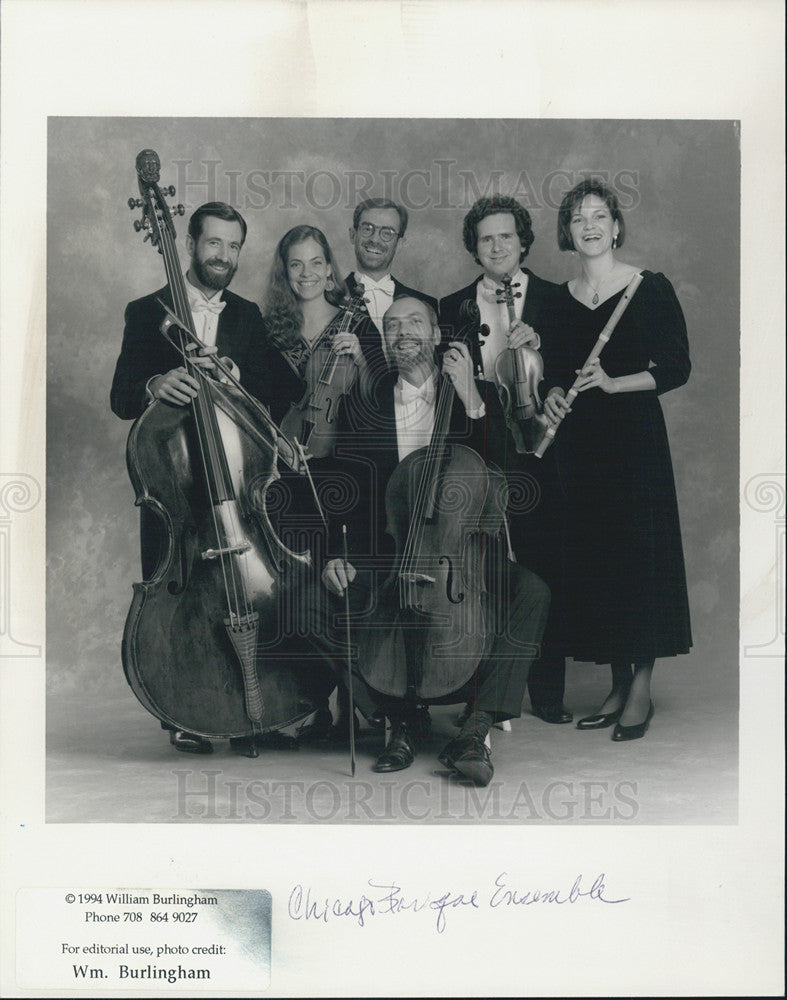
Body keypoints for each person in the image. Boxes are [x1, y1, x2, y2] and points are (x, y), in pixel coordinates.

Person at [317, 295, 550, 786]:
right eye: (393, 325)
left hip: (462, 555)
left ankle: (477, 726)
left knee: (531, 591)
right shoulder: (365, 405)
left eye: (415, 322)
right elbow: (348, 496)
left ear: (438, 335)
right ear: (385, 342)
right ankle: (398, 716)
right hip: (393, 551)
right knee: (319, 600)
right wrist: (338, 555)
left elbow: (510, 474)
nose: (403, 332)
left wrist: (471, 399)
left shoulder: (476, 390)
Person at [111, 201, 271, 755]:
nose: (223, 256)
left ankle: (250, 707)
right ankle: (189, 711)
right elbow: (119, 397)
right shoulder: (145, 310)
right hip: (178, 496)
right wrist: (154, 383)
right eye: (213, 244)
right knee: (185, 611)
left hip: (235, 497)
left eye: (233, 247)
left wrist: (239, 376)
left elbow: (284, 390)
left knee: (255, 590)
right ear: (189, 243)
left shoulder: (247, 316)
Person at [541, 179, 692, 741]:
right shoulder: (558, 299)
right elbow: (556, 371)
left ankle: (642, 690)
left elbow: (676, 367)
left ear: (616, 225)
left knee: (638, 561)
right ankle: (617, 679)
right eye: (579, 218)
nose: (589, 225)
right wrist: (553, 392)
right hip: (581, 449)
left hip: (633, 442)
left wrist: (613, 381)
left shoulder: (648, 288)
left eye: (599, 215)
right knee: (599, 564)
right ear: (568, 231)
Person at [439, 196, 571, 725]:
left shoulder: (556, 300)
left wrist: (544, 354)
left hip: (540, 449)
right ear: (475, 246)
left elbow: (571, 371)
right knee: (482, 566)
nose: (496, 246)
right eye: (486, 238)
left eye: (506, 237)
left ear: (523, 242)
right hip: (481, 448)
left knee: (543, 563)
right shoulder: (451, 307)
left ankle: (547, 692)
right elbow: (448, 392)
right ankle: (484, 688)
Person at [259, 224, 369, 742]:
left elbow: (379, 406)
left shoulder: (356, 324)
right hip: (285, 471)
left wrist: (364, 357)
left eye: (316, 262)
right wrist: (276, 443)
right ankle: (309, 700)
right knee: (294, 582)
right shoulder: (270, 330)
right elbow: (256, 404)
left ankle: (354, 698)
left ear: (331, 267)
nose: (306, 274)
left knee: (339, 579)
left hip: (341, 471)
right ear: (286, 271)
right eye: (295, 265)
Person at [345, 198, 438, 384]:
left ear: (400, 242)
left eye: (387, 233)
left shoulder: (426, 303)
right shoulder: (330, 298)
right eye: (367, 228)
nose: (375, 239)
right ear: (353, 235)